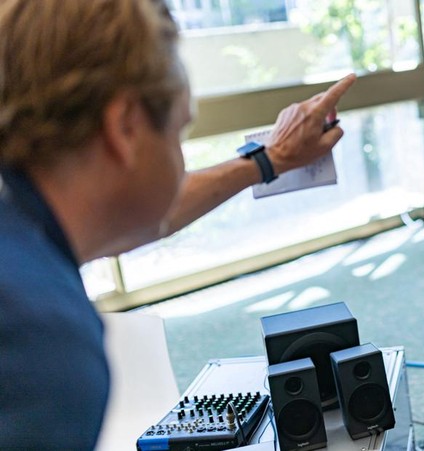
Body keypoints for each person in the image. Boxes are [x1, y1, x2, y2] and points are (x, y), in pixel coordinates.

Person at [0, 0, 356, 448]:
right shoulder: (41, 339)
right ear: (125, 126)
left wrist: (272, 160)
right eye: (178, 131)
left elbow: (143, 209)